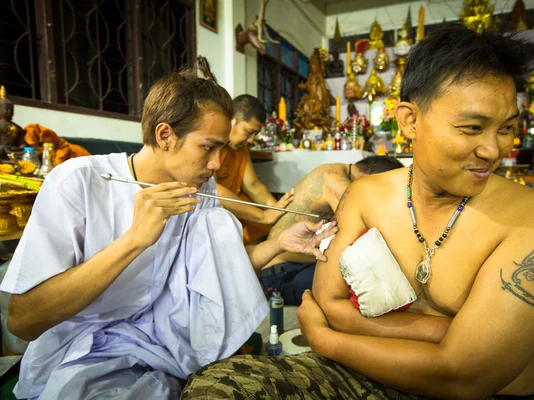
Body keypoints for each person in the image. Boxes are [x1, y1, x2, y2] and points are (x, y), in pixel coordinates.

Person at [180, 25, 534, 399]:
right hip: (360, 370)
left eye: (507, 128)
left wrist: (328, 340)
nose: (494, 150)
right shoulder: (365, 195)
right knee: (214, 386)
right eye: (472, 128)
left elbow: (466, 374)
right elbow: (327, 301)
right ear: (409, 120)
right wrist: (449, 331)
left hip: (480, 393)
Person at [0, 57, 336, 400]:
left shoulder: (197, 189)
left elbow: (219, 267)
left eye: (221, 149)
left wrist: (278, 243)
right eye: (208, 147)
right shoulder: (78, 183)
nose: (217, 164)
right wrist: (134, 240)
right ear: (165, 135)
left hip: (162, 340)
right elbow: (23, 321)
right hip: (79, 351)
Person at [260, 155, 402, 305]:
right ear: (365, 178)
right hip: (280, 273)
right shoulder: (335, 181)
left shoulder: (339, 173)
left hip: (301, 263)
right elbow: (362, 230)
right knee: (365, 289)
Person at [215, 94, 288, 244]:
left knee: (275, 228)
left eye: (255, 134)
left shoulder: (240, 149)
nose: (251, 140)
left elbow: (253, 185)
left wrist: (278, 210)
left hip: (235, 206)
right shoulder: (212, 146)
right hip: (215, 209)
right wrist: (263, 216)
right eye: (249, 132)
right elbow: (213, 191)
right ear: (231, 120)